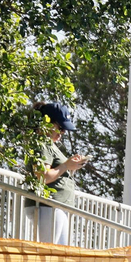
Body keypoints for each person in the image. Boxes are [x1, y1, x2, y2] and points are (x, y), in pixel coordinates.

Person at [31, 102, 86, 245]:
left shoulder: (49, 145)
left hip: (57, 206)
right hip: (48, 205)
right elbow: (43, 176)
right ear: (48, 123)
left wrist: (70, 166)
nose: (62, 133)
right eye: (60, 128)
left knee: (59, 254)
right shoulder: (42, 143)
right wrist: (66, 165)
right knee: (49, 251)